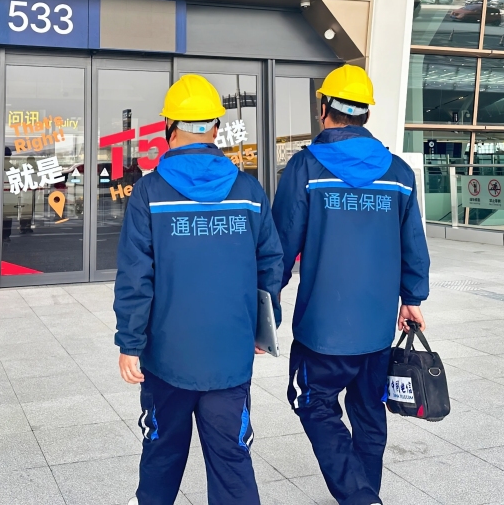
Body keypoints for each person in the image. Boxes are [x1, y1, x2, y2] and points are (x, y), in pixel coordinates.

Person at [114, 75, 284, 505]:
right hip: (230, 356)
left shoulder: (149, 192)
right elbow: (270, 263)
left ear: (169, 127)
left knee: (161, 453)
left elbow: (136, 276)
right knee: (231, 460)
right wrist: (265, 327)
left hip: (166, 357)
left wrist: (130, 343)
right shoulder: (248, 190)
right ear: (215, 128)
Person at [272, 65, 430, 505]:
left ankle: (361, 498)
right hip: (377, 327)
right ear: (365, 113)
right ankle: (366, 494)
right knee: (368, 411)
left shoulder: (306, 167)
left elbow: (281, 244)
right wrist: (412, 297)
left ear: (324, 108)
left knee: (313, 402)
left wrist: (265, 303)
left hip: (322, 328)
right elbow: (413, 243)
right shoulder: (398, 173)